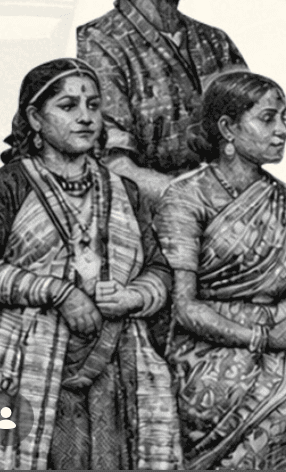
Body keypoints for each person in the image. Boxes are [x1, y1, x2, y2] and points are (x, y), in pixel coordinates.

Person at [154, 71, 286, 470]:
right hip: (211, 351)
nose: (283, 130)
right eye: (268, 118)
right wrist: (264, 337)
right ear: (228, 129)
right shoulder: (185, 199)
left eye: (284, 118)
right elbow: (184, 307)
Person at [0, 58, 178, 469]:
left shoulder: (124, 191)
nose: (85, 117)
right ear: (35, 119)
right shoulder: (10, 185)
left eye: (94, 106)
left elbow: (159, 270)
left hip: (115, 364)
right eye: (68, 106)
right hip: (24, 365)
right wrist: (58, 292)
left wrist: (133, 296)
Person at [77, 0, 247, 205]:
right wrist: (190, 198)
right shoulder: (99, 39)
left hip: (229, 205)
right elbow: (113, 161)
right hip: (150, 213)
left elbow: (251, 125)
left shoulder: (216, 40)